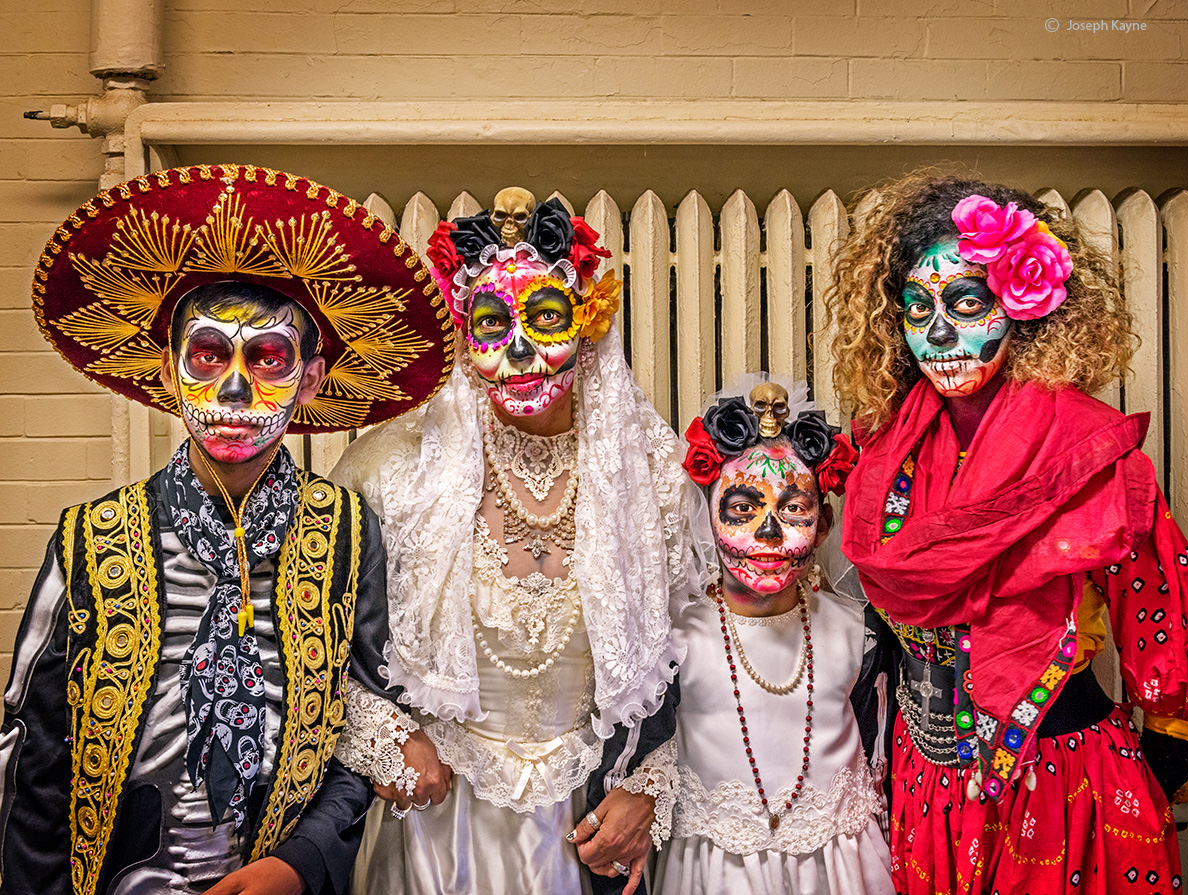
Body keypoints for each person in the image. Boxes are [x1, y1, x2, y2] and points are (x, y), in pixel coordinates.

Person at [0, 164, 455, 895]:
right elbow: (33, 760)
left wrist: (299, 864)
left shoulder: (344, 533)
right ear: (168, 369)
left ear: (309, 379)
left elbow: (364, 726)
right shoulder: (91, 537)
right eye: (209, 354)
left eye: (267, 358)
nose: (235, 389)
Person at [330, 188, 711, 895]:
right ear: (464, 338)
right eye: (493, 322)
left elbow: (708, 658)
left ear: (588, 323)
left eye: (545, 318)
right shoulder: (392, 471)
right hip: (436, 836)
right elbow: (317, 642)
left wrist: (652, 782)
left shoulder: (654, 479)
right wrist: (384, 733)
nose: (522, 350)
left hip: (584, 832)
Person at [829, 171, 1188, 894]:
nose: (939, 332)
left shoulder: (1093, 456)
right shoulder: (881, 451)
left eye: (967, 303)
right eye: (917, 307)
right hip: (921, 783)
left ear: (1024, 310)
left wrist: (1148, 777)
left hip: (1062, 782)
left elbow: (1162, 616)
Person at [656, 378, 894, 895]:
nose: (768, 533)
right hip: (716, 871)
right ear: (705, 518)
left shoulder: (857, 630)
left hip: (838, 868)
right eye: (742, 509)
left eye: (792, 510)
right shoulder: (677, 636)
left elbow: (879, 747)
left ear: (824, 524)